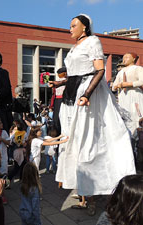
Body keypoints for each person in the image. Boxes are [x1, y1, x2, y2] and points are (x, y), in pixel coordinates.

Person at [49, 14, 136, 215]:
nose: (69, 28)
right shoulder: (74, 47)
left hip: (88, 96)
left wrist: (87, 94)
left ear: (85, 27)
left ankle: (102, 189)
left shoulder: (93, 41)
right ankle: (84, 190)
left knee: (91, 142)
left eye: (73, 25)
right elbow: (74, 74)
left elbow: (99, 71)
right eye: (69, 25)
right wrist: (59, 83)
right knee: (76, 141)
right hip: (72, 95)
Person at [112, 52, 143, 138]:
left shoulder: (138, 69)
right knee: (125, 116)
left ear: (133, 59)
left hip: (135, 94)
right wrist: (116, 86)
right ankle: (127, 136)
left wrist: (128, 84)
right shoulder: (121, 72)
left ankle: (138, 137)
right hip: (123, 96)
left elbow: (141, 81)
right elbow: (114, 86)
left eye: (127, 57)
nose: (124, 59)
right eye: (123, 57)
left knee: (136, 115)